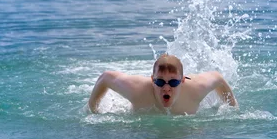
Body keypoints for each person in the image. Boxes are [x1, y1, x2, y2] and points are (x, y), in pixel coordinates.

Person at [88, 54, 238, 115]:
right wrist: (93, 111)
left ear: (183, 80)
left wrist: (232, 108)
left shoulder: (196, 89)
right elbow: (105, 78)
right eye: (160, 82)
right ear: (152, 80)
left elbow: (218, 78)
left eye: (173, 82)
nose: (166, 88)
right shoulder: (137, 90)